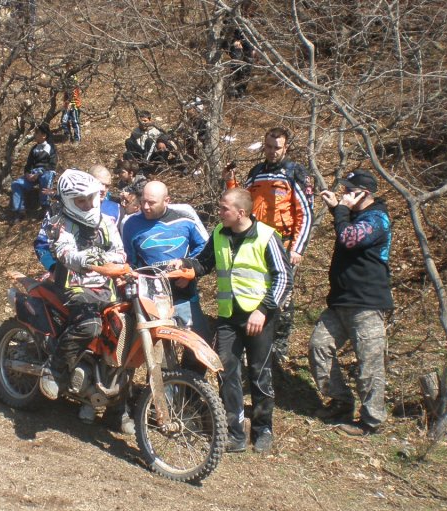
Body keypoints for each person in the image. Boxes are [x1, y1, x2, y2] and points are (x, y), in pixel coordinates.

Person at [174, 188, 292, 454]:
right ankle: (235, 433)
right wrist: (185, 269)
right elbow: (204, 263)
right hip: (228, 316)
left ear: (241, 212)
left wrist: (263, 310)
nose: (219, 213)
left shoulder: (267, 236)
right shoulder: (219, 233)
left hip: (260, 316)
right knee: (227, 371)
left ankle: (263, 430)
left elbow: (284, 278)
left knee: (259, 374)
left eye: (223, 208)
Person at [37, 169, 126, 424]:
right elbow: (66, 253)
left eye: (90, 198)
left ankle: (112, 401)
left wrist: (102, 259)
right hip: (73, 285)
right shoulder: (60, 224)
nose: (87, 204)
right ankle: (54, 369)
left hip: (105, 286)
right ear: (68, 201)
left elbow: (120, 253)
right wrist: (87, 260)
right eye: (80, 200)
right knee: (90, 325)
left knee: (123, 332)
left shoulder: (106, 221)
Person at [309, 170, 394, 436]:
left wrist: (341, 210)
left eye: (349, 191)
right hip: (340, 302)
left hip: (367, 304)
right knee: (319, 346)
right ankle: (340, 401)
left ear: (364, 194)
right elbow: (346, 230)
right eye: (344, 189)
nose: (344, 193)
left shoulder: (377, 218)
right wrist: (337, 209)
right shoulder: (354, 216)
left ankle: (371, 421)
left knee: (369, 364)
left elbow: (349, 238)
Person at [224, 126, 313, 365]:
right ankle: (252, 341)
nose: (272, 151)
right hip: (255, 242)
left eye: (277, 147)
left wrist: (297, 248)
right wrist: (230, 181)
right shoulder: (257, 172)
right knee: (253, 289)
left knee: (282, 294)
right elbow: (241, 201)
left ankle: (278, 349)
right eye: (269, 147)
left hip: (283, 243)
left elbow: (305, 212)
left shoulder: (295, 172)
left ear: (286, 148)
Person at [121, 181, 209, 344]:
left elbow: (205, 250)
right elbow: (129, 260)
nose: (145, 207)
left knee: (199, 341)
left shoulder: (185, 219)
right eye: (143, 201)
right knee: (156, 347)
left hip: (183, 291)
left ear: (166, 201)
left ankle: (189, 363)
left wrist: (189, 270)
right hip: (150, 295)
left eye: (151, 203)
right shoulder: (130, 224)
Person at [8, 123, 56, 222]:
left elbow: (52, 164)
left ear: (44, 135)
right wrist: (27, 174)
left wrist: (39, 173)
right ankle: (19, 211)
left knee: (46, 177)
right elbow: (28, 165)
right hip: (33, 173)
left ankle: (45, 207)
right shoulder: (34, 149)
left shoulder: (51, 147)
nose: (35, 135)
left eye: (37, 133)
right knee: (16, 184)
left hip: (46, 172)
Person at [60, 78, 81, 144]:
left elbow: (74, 95)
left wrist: (70, 103)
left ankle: (77, 139)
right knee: (64, 121)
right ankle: (67, 136)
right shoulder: (65, 79)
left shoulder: (73, 80)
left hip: (74, 105)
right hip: (67, 105)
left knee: (75, 122)